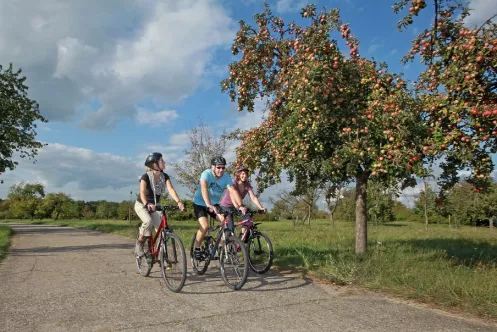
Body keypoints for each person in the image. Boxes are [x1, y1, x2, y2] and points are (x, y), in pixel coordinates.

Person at [192, 156, 246, 259]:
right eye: (218, 167)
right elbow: (204, 188)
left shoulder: (226, 177)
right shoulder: (206, 174)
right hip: (200, 203)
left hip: (214, 204)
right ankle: (197, 249)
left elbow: (233, 191)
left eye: (223, 168)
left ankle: (219, 246)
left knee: (224, 221)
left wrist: (241, 205)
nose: (221, 170)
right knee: (205, 226)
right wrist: (208, 204)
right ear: (212, 167)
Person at [135, 152, 184, 257]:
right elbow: (142, 192)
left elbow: (170, 189)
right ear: (155, 164)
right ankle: (139, 243)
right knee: (148, 221)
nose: (164, 162)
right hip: (141, 204)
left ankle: (160, 252)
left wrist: (178, 202)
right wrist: (147, 203)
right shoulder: (145, 177)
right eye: (161, 160)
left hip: (155, 205)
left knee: (161, 229)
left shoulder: (164, 176)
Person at [220, 165, 267, 237]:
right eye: (243, 174)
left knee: (248, 216)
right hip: (226, 206)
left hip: (238, 205)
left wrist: (261, 208)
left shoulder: (247, 185)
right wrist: (239, 207)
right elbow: (233, 197)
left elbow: (253, 197)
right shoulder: (233, 183)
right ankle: (222, 244)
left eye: (246, 174)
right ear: (238, 174)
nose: (245, 176)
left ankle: (242, 236)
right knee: (230, 226)